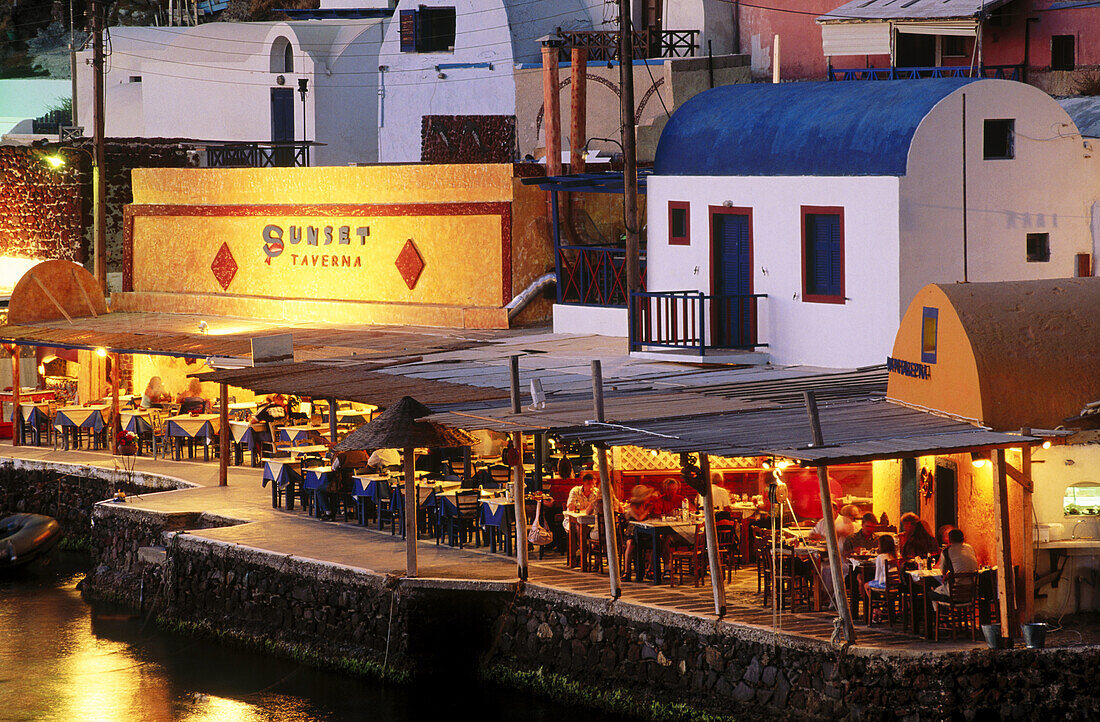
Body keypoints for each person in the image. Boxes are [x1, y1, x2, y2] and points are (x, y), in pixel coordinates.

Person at [930, 528, 980, 602]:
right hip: (972, 593)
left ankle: (943, 610)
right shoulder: (969, 548)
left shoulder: (947, 552)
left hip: (955, 593)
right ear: (963, 538)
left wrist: (947, 575)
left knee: (931, 594)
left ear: (949, 539)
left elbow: (943, 572)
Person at [621, 485, 656, 580]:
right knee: (630, 544)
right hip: (632, 532)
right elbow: (639, 518)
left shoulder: (646, 504)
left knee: (657, 542)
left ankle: (650, 569)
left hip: (645, 532)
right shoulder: (632, 506)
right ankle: (626, 571)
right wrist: (648, 509)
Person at [862, 533, 899, 623]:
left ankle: (875, 608)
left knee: (866, 585)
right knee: (872, 584)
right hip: (895, 583)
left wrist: (873, 581)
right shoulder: (894, 555)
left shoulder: (880, 557)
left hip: (884, 584)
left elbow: (877, 576)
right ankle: (881, 607)